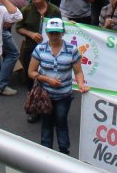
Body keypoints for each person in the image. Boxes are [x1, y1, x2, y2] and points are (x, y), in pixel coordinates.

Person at [27, 18, 89, 155]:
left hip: (64, 95)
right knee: (46, 123)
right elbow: (31, 72)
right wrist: (47, 79)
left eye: (57, 33)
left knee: (61, 122)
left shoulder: (72, 50)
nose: (54, 36)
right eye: (51, 33)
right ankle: (46, 152)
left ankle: (63, 152)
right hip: (45, 95)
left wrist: (81, 84)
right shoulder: (40, 49)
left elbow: (78, 71)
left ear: (63, 33)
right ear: (47, 33)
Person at [16, 0, 61, 123]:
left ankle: (50, 108)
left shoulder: (54, 10)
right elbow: (18, 28)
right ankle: (34, 109)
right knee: (32, 81)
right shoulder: (26, 10)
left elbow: (62, 28)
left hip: (51, 52)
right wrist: (30, 34)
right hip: (31, 50)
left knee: (50, 80)